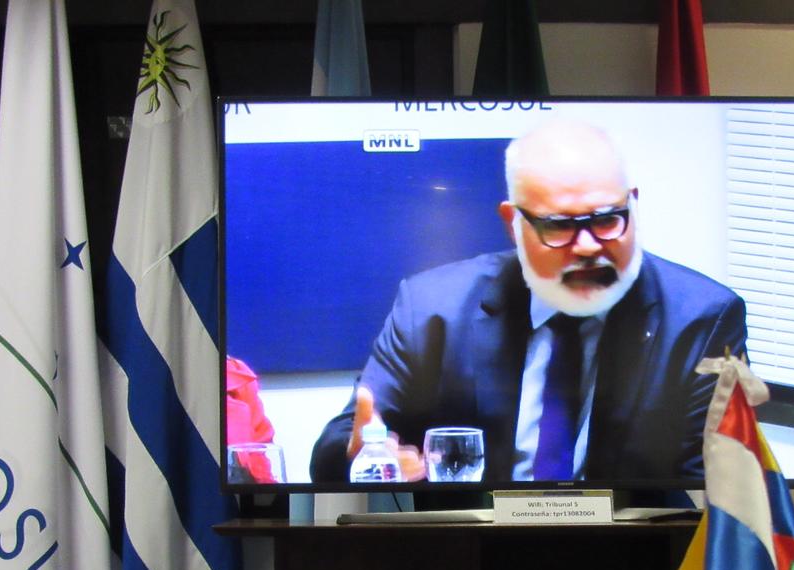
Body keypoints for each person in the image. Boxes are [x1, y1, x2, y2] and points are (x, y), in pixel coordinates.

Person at [310, 119, 746, 484]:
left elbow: (717, 493)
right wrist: (368, 458)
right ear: (513, 223)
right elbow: (341, 441)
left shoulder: (703, 320)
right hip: (470, 548)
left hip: (636, 552)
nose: (588, 246)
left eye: (608, 219)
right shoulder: (432, 308)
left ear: (632, 204)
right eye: (559, 226)